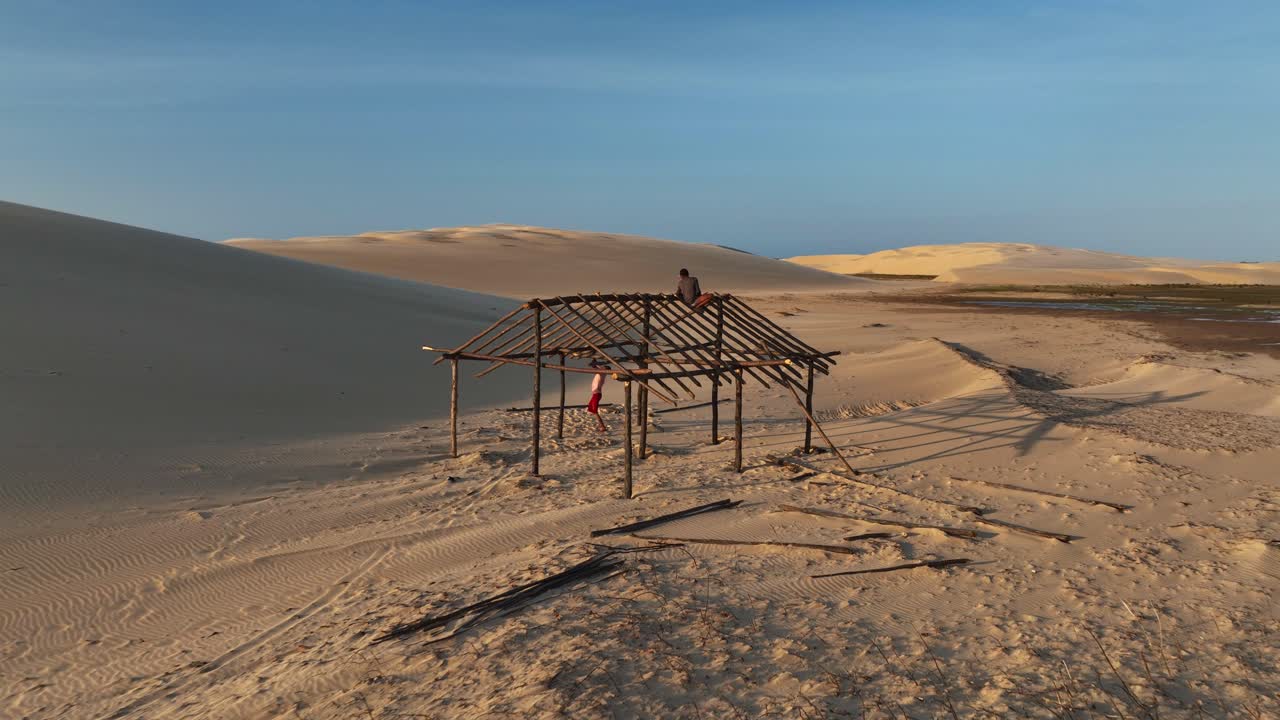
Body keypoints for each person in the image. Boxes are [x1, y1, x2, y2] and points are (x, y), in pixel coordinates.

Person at [586, 359, 609, 433]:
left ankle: (602, 426)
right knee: (591, 409)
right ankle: (601, 425)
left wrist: (595, 363)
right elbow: (596, 367)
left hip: (597, 394)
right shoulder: (600, 373)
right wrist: (594, 363)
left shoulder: (602, 373)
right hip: (595, 394)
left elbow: (596, 367)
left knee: (594, 411)